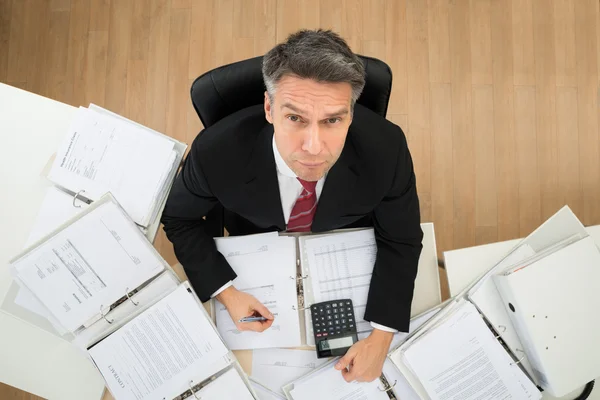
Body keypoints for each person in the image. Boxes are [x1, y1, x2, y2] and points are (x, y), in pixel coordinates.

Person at [161, 29, 423, 383]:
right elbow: (179, 218)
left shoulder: (387, 149)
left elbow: (402, 239)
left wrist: (381, 336)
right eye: (295, 118)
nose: (314, 147)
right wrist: (226, 292)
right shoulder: (215, 152)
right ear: (269, 108)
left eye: (333, 119)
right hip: (256, 240)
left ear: (351, 113)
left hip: (340, 240)